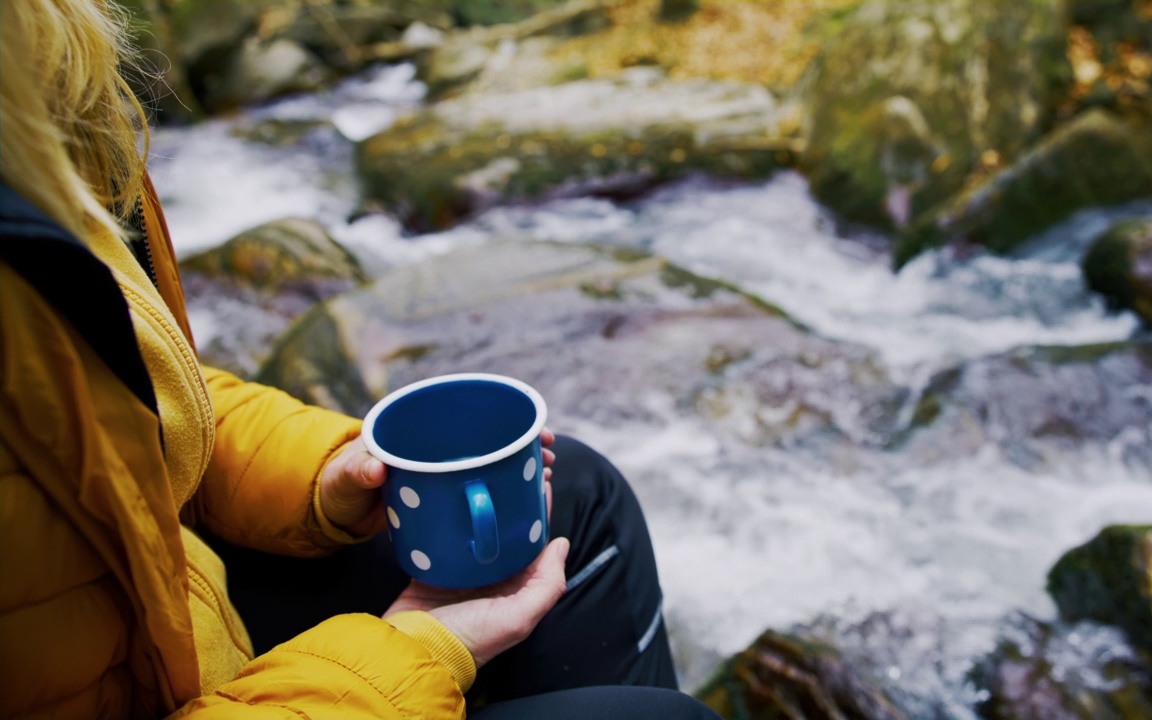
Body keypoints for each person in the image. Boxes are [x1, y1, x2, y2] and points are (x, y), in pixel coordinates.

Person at [0, 1, 718, 717]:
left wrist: (326, 479)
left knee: (580, 489)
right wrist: (418, 652)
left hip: (170, 607)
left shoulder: (42, 106)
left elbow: (124, 409)